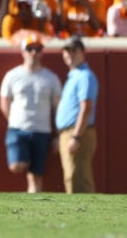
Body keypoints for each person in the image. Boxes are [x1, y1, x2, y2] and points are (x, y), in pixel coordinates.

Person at [0, 34, 62, 193]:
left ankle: (34, 205)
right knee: (17, 165)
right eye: (30, 49)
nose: (34, 52)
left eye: (38, 49)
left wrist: (59, 134)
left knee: (36, 175)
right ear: (23, 52)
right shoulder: (12, 75)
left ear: (42, 52)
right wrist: (12, 120)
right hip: (18, 128)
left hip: (42, 130)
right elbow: (4, 102)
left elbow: (57, 107)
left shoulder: (51, 78)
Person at [56, 36, 98, 193]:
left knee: (78, 178)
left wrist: (75, 137)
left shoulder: (84, 76)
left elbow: (86, 107)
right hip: (70, 132)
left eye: (74, 51)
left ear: (82, 52)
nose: (70, 55)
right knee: (72, 176)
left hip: (78, 132)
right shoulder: (74, 76)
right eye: (67, 51)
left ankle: (86, 216)